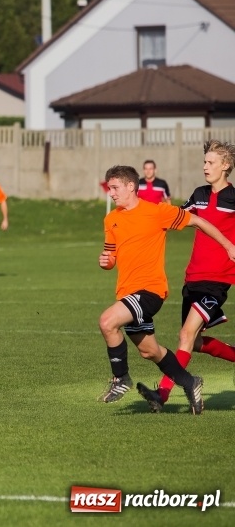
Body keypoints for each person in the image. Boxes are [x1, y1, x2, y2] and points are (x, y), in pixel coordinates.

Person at [97, 164, 235, 415]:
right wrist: (106, 261)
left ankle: (121, 379)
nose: (111, 193)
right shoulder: (111, 219)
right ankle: (189, 382)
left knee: (107, 321)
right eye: (109, 188)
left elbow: (198, 221)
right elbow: (110, 255)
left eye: (115, 187)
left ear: (131, 186)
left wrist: (227, 244)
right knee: (149, 351)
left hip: (150, 291)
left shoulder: (157, 212)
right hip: (126, 292)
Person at [137, 140, 235, 412]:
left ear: (225, 166)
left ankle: (163, 394)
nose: (205, 166)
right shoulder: (199, 194)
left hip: (217, 282)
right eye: (204, 162)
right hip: (192, 279)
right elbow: (175, 216)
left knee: (185, 334)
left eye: (210, 162)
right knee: (195, 341)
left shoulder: (233, 198)